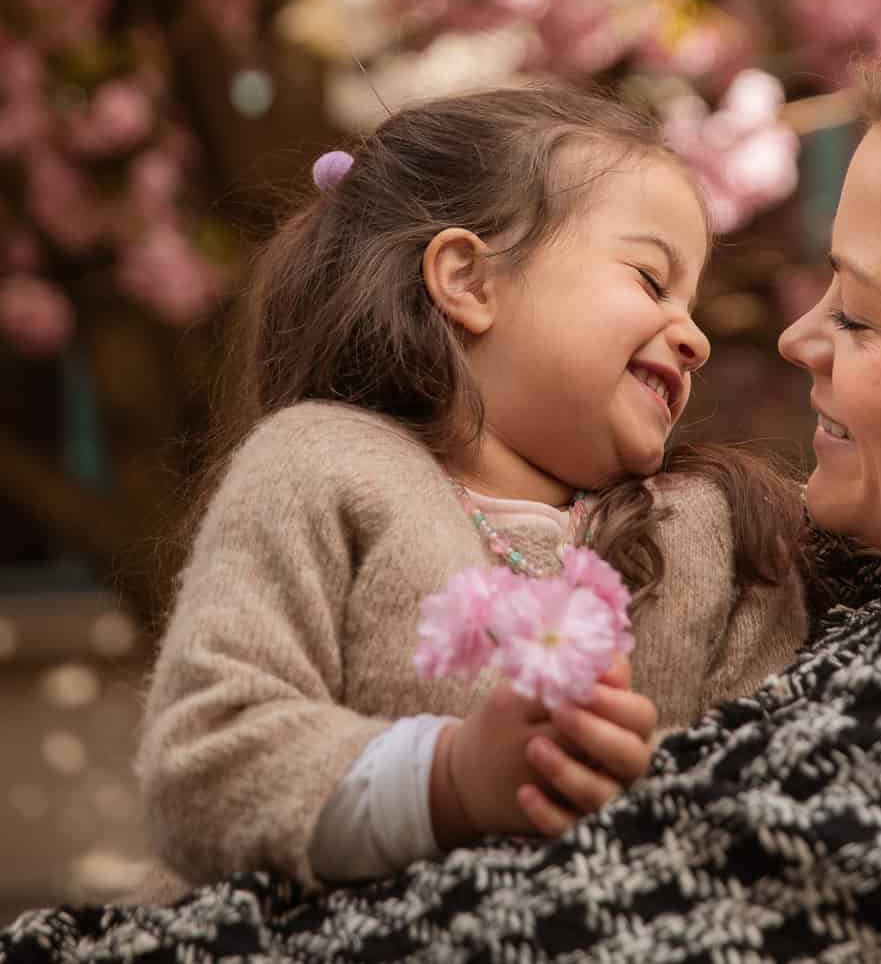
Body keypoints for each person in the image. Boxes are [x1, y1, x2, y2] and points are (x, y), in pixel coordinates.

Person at [9, 14, 881, 962]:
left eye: (864, 316)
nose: (785, 337)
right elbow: (216, 755)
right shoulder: (337, 472)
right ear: (465, 279)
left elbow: (597, 906)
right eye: (650, 280)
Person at [129, 84, 808, 894]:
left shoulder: (718, 535)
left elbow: (773, 786)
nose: (694, 337)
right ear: (469, 281)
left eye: (692, 304)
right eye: (650, 281)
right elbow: (202, 766)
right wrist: (448, 780)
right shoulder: (319, 466)